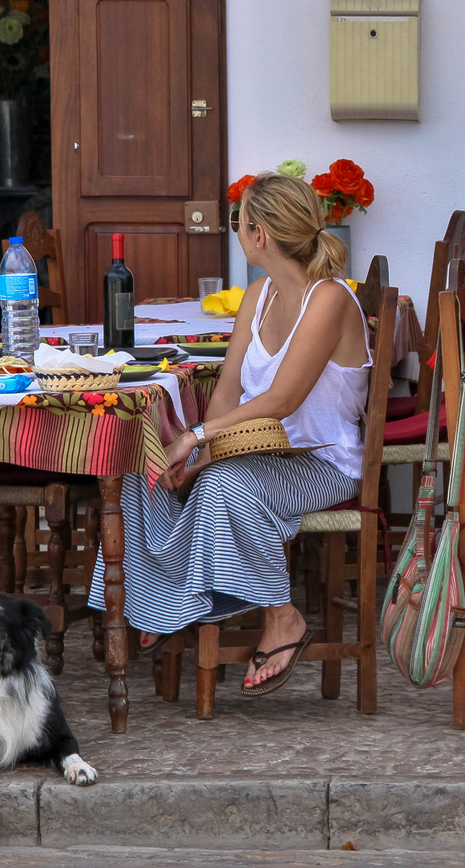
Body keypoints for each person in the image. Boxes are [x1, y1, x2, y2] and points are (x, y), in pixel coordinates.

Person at [87, 171, 372, 694]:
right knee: (140, 468)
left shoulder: (329, 298)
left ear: (259, 235)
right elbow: (227, 391)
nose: (236, 231)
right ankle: (159, 599)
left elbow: (283, 399)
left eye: (240, 224)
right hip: (259, 454)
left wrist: (196, 439)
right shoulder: (259, 295)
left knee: (224, 487)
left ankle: (281, 614)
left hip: (322, 463)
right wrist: (198, 451)